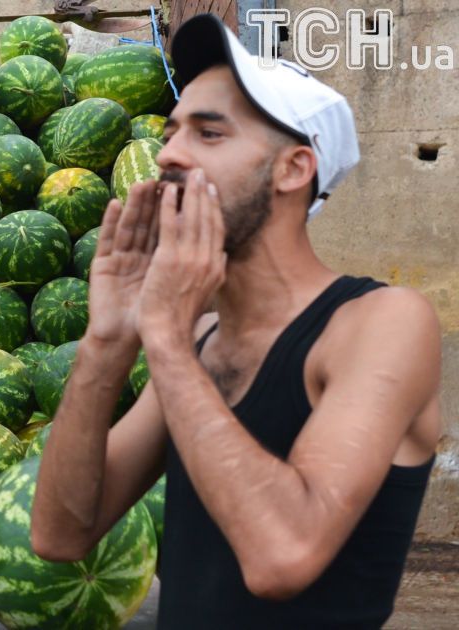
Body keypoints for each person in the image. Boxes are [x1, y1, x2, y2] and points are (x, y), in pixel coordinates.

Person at [29, 13, 442, 628]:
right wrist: (108, 340)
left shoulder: (382, 324)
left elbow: (283, 557)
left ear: (293, 170)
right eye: (171, 132)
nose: (168, 155)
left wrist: (166, 338)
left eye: (209, 134)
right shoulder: (198, 340)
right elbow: (60, 534)